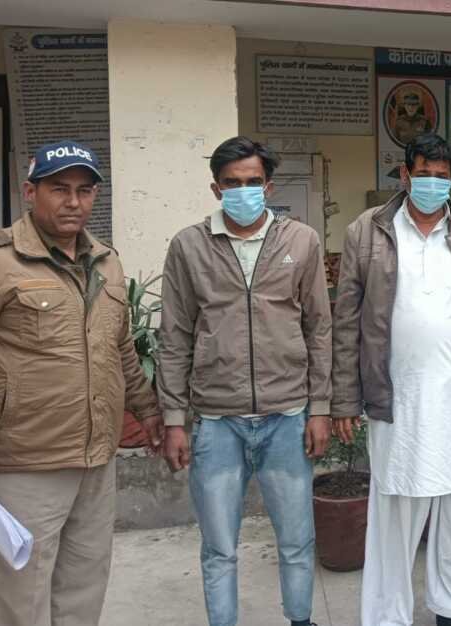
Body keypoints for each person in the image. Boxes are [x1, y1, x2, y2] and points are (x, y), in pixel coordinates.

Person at [331, 133, 451, 626]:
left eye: (442, 176)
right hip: (396, 401)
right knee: (395, 516)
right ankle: (387, 617)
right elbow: (346, 321)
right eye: (424, 174)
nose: (432, 183)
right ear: (405, 174)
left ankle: (448, 609)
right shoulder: (368, 231)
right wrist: (343, 400)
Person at [0, 140, 162, 626]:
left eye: (84, 190)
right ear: (30, 192)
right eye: (60, 189)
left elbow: (120, 348)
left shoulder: (106, 261)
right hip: (24, 464)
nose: (74, 201)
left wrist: (149, 411)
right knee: (20, 605)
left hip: (95, 461)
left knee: (83, 592)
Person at [157, 136, 332, 626]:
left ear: (268, 186)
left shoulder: (301, 241)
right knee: (219, 546)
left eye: (253, 182)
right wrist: (174, 420)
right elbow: (175, 335)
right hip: (218, 422)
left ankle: (300, 619)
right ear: (216, 189)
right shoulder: (189, 246)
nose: (243, 191)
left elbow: (319, 328)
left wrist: (320, 407)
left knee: (297, 540)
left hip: (287, 417)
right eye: (232, 183)